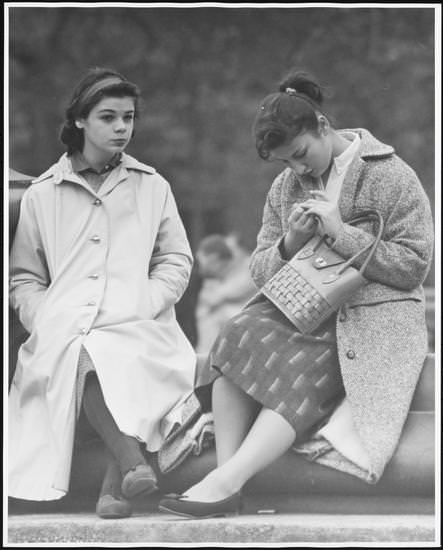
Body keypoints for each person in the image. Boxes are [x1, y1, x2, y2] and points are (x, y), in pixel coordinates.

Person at [158, 69, 434, 518]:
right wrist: (288, 243)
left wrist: (342, 233)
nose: (298, 169)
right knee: (237, 332)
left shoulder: (391, 175)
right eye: (287, 162)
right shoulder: (286, 187)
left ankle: (226, 480)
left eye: (301, 154)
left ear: (323, 126)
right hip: (301, 305)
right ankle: (226, 478)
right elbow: (260, 268)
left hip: (372, 312)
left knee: (301, 366)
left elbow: (414, 266)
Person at [9, 67, 196, 519]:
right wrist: (44, 315)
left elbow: (176, 259)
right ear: (80, 121)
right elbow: (24, 276)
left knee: (111, 354)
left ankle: (120, 480)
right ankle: (129, 468)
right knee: (84, 350)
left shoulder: (152, 185)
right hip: (65, 329)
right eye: (108, 117)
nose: (121, 128)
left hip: (141, 326)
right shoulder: (42, 193)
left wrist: (145, 302)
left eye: (128, 118)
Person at [195, 234, 256, 355]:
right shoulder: (213, 281)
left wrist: (217, 298)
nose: (230, 254)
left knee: (220, 314)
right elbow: (205, 308)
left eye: (233, 248)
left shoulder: (251, 268)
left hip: (249, 338)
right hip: (215, 348)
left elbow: (227, 295)